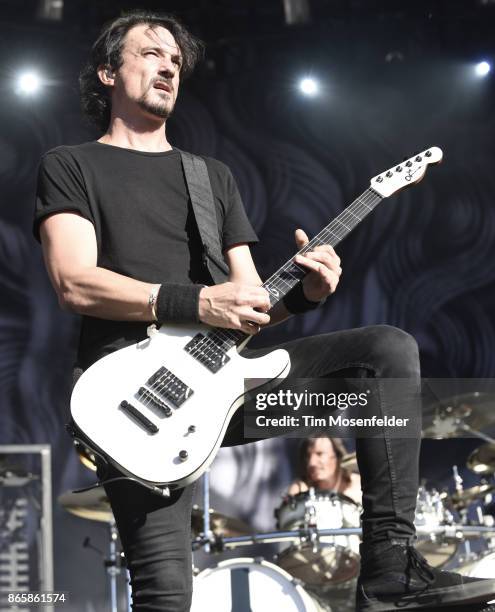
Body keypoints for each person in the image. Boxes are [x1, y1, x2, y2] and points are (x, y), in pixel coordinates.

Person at [33, 10, 495, 612]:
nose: (168, 65)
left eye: (175, 59)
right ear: (106, 72)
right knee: (167, 594)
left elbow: (248, 304)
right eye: (150, 53)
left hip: (233, 390)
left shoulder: (210, 178)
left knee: (385, 351)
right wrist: (198, 300)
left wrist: (304, 295)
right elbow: (75, 282)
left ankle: (389, 569)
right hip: (132, 401)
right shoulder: (71, 165)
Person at [288, 436, 362, 505]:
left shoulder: (359, 485)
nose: (311, 463)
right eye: (308, 456)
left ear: (337, 456)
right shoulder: (299, 489)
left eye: (319, 454)